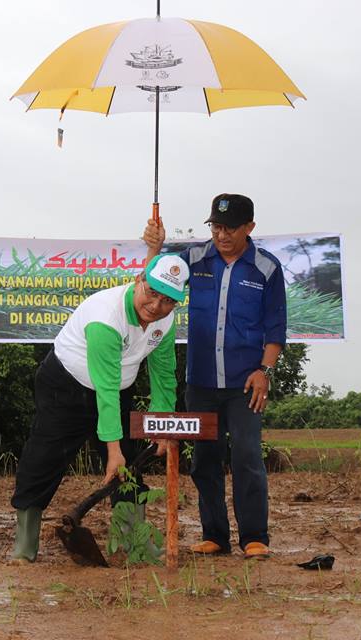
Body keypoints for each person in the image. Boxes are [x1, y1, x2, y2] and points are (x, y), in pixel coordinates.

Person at [9, 254, 190, 563]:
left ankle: (133, 541)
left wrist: (161, 427)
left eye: (167, 301)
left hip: (118, 388)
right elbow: (104, 387)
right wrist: (112, 449)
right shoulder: (106, 316)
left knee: (130, 465)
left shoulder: (166, 321)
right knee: (44, 457)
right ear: (139, 280)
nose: (155, 306)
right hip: (65, 386)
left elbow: (163, 375)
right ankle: (25, 543)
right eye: (152, 293)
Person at [142, 194, 286, 559]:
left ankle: (255, 537)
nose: (221, 235)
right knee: (204, 459)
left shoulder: (267, 269)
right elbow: (156, 282)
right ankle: (215, 536)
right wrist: (155, 248)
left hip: (245, 385)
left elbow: (276, 329)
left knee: (248, 456)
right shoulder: (193, 259)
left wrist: (264, 371)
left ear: (249, 228)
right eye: (216, 227)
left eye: (230, 228)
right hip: (201, 381)